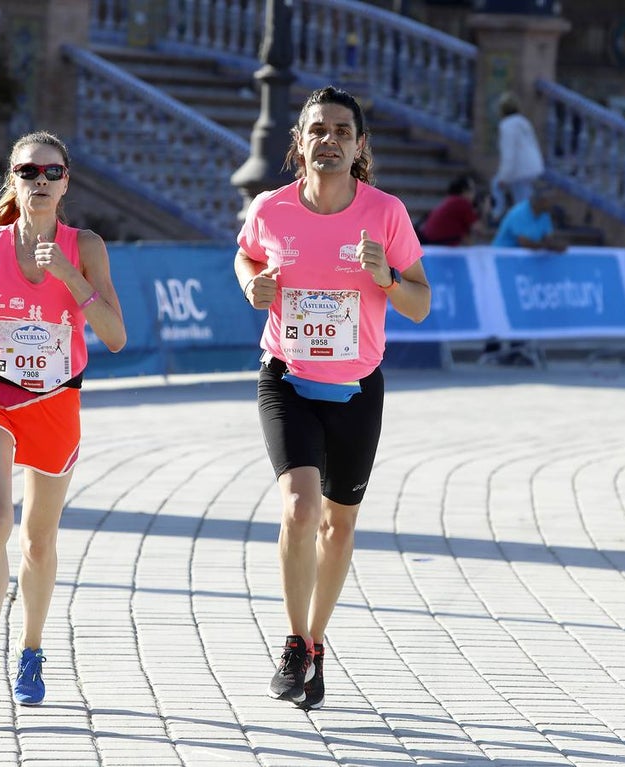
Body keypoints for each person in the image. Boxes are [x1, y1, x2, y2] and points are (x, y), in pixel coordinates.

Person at [234, 86, 431, 711]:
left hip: (355, 388)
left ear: (359, 145)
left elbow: (421, 304)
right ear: (299, 142)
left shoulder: (386, 214)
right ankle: (294, 642)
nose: (329, 140)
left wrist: (387, 279)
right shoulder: (271, 209)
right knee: (299, 506)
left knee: (338, 524)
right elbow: (244, 257)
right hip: (286, 378)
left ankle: (316, 642)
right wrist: (253, 287)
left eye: (342, 130)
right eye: (317, 129)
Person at [0, 131, 127, 705]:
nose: (40, 182)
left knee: (38, 540)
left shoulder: (86, 246)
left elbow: (117, 338)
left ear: (66, 180)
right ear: (14, 179)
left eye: (51, 173)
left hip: (55, 403)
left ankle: (31, 651)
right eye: (29, 172)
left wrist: (72, 280)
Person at [489, 92, 544, 220]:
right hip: (532, 167)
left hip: (519, 169)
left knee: (497, 185)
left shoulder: (507, 125)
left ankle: (498, 212)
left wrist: (504, 176)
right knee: (523, 197)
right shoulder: (523, 122)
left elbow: (509, 154)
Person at [492, 181, 567, 252]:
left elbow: (547, 238)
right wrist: (549, 247)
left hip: (522, 258)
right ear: (542, 201)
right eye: (551, 201)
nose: (553, 204)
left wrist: (557, 245)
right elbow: (524, 243)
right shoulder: (519, 213)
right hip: (502, 255)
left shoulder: (545, 214)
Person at [417, 174, 485, 246]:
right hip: (437, 245)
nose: (475, 194)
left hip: (430, 243)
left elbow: (469, 241)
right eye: (472, 190)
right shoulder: (462, 202)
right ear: (464, 191)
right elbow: (480, 230)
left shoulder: (451, 201)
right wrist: (484, 211)